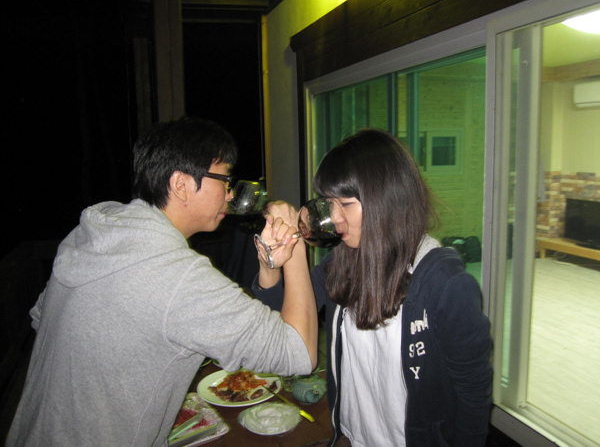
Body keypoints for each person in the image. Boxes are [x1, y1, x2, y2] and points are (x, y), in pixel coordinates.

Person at [6, 117, 317, 446]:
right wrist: (294, 239)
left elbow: (42, 317)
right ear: (181, 184)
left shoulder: (93, 231)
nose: (229, 194)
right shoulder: (179, 275)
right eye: (225, 181)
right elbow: (299, 352)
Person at [253, 128, 493, 446]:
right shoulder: (342, 263)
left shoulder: (445, 285)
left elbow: (473, 393)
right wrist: (270, 266)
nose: (335, 218)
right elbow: (285, 331)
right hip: (352, 438)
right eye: (330, 203)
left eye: (345, 204)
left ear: (385, 198)